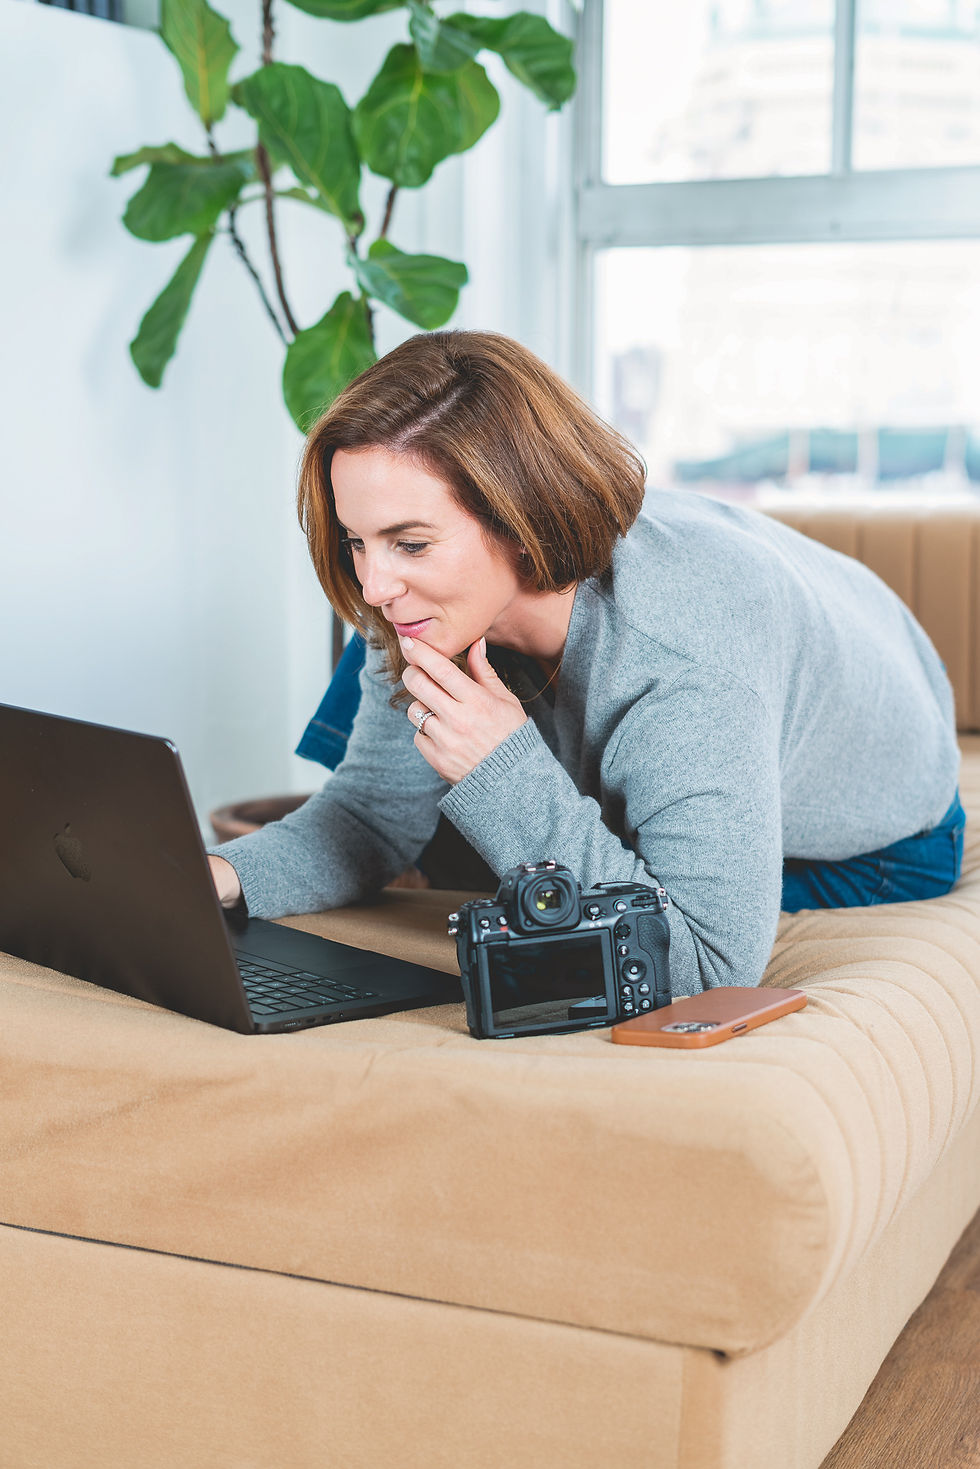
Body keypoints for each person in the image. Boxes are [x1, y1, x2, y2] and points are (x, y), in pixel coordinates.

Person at [208, 330, 964, 998]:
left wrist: (501, 766)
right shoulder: (419, 603)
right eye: (356, 541)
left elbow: (705, 964)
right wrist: (218, 876)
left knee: (516, 868)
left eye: (411, 543)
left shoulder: (684, 660)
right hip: (745, 676)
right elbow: (372, 814)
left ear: (521, 517)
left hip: (883, 843)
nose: (374, 585)